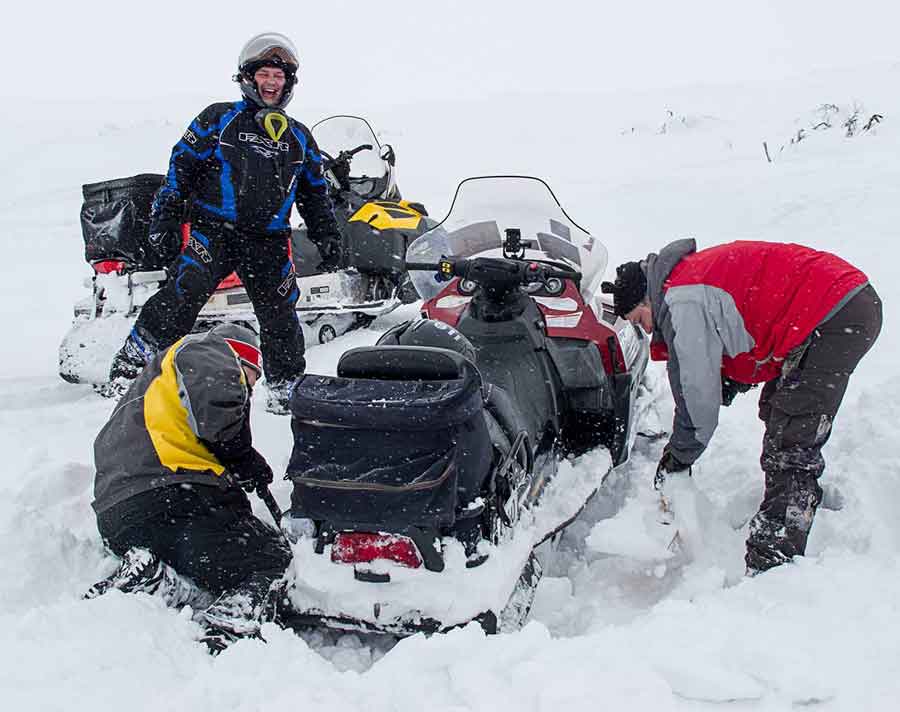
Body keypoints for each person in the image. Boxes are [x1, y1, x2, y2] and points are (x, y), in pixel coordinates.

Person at [602, 239, 882, 574]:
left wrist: (679, 455)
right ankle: (786, 510)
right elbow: (747, 322)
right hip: (839, 303)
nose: (645, 329)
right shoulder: (686, 280)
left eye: (640, 318)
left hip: (835, 314)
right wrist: (729, 382)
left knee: (792, 439)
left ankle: (774, 558)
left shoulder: (683, 299)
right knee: (779, 411)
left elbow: (696, 397)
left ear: (647, 298)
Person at [107, 32, 343, 413]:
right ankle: (130, 368)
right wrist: (164, 218)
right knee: (182, 297)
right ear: (248, 78)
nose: (271, 83)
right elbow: (179, 168)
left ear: (289, 84)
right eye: (265, 74)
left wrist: (327, 234)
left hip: (268, 241)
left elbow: (314, 193)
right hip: (214, 232)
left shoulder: (300, 137)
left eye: (278, 77)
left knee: (281, 315)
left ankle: (285, 390)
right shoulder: (218, 118)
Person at [88, 323, 293, 653]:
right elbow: (220, 415)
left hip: (123, 519)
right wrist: (243, 457)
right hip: (177, 502)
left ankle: (152, 579)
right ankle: (233, 620)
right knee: (275, 557)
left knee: (204, 572)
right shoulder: (207, 350)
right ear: (245, 361)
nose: (251, 390)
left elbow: (192, 430)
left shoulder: (153, 387)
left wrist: (234, 471)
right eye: (253, 379)